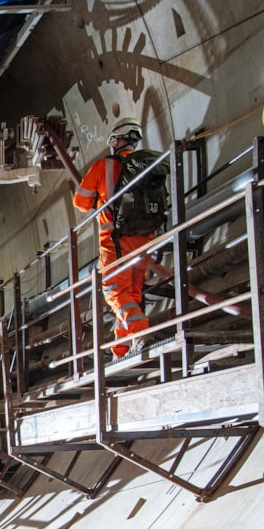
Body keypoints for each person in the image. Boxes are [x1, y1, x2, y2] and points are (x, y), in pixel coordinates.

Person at [73, 120, 168, 359]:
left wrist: (99, 199)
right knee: (132, 294)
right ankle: (121, 349)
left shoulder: (103, 166)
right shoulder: (145, 167)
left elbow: (80, 202)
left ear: (115, 141)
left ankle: (141, 334)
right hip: (144, 239)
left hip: (115, 242)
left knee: (114, 292)